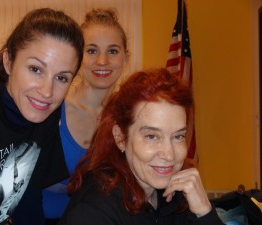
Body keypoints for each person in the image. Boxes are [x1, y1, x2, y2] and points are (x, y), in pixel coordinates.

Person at [0, 8, 84, 225]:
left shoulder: (45, 113)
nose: (47, 91)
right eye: (36, 69)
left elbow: (29, 199)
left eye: (62, 78)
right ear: (8, 61)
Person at [59, 68, 225, 225]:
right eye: (152, 136)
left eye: (177, 136)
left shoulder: (176, 195)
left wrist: (205, 212)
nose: (169, 155)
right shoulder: (94, 211)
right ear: (120, 138)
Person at [42, 8, 128, 224]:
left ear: (126, 57)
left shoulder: (128, 118)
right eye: (91, 50)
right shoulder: (50, 107)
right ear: (77, 56)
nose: (102, 61)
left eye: (113, 51)